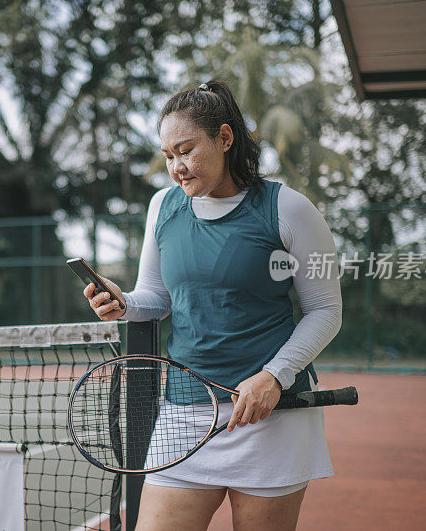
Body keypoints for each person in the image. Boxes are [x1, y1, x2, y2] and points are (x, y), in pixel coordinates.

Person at [82, 80, 342, 531]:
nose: (177, 168)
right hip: (184, 412)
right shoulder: (163, 206)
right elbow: (158, 298)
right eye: (168, 157)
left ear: (224, 138)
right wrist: (123, 302)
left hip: (270, 414)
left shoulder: (289, 209)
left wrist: (273, 378)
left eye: (185, 150)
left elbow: (325, 310)